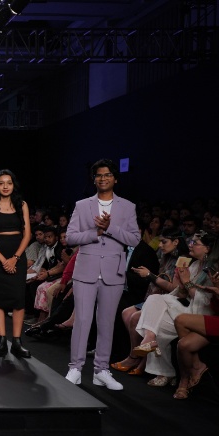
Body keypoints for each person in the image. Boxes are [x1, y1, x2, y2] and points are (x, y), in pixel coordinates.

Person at [64, 159, 140, 390]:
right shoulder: (82, 205)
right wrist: (95, 232)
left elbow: (134, 239)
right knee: (82, 320)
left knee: (106, 322)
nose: (103, 178)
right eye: (99, 175)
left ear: (115, 178)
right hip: (86, 270)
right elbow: (71, 237)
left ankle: (101, 370)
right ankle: (75, 368)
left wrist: (110, 228)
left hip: (113, 272)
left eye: (107, 175)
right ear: (94, 179)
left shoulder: (128, 207)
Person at [131, 231, 216, 387]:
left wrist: (186, 281)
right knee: (157, 319)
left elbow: (206, 301)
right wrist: (180, 282)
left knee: (157, 302)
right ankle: (162, 363)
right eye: (191, 242)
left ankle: (151, 345)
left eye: (195, 243)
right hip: (184, 307)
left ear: (207, 249)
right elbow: (181, 293)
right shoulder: (194, 264)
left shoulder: (212, 270)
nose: (191, 245)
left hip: (200, 313)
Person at [110, 227, 184, 382]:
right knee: (127, 313)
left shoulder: (183, 260)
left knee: (134, 317)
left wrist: (149, 275)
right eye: (160, 242)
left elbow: (175, 290)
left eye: (164, 242)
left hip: (171, 302)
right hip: (156, 297)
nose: (160, 245)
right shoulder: (164, 257)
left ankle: (138, 359)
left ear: (176, 242)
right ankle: (136, 356)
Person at [0, 169, 32, 358]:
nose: (5, 186)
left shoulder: (22, 205)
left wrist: (15, 258)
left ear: (13, 185)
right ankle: (2, 341)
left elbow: (27, 235)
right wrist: (3, 260)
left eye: (9, 183)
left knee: (19, 298)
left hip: (17, 255)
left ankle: (17, 342)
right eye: (1, 183)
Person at [172, 249, 219, 400]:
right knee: (183, 345)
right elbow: (217, 308)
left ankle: (187, 378)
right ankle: (191, 373)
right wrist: (217, 289)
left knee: (181, 320)